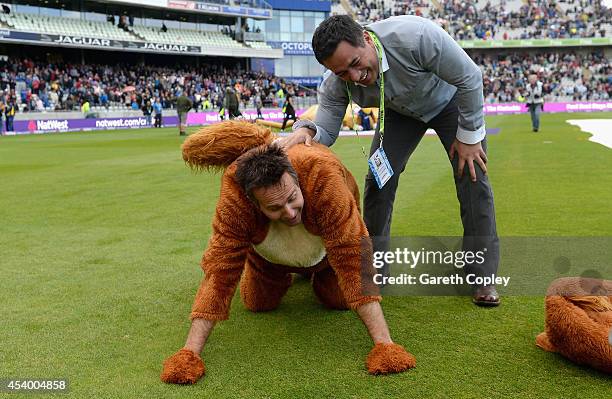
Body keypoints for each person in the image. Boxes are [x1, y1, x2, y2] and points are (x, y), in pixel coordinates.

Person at [160, 121, 416, 384]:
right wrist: (189, 352)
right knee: (258, 304)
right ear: (254, 202)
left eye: (292, 198)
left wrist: (384, 343)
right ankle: (266, 266)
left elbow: (352, 255)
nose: (290, 213)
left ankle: (317, 271)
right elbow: (220, 269)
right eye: (274, 207)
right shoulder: (235, 195)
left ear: (295, 179)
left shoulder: (322, 175)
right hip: (270, 256)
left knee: (338, 300)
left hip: (324, 256)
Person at [282, 15, 500, 306]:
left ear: (367, 39)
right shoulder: (337, 80)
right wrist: (306, 130)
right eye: (342, 72)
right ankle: (374, 268)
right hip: (399, 113)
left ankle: (481, 275)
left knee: (472, 176)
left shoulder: (415, 36)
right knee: (378, 179)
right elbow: (327, 126)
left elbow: (470, 77)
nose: (355, 76)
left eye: (356, 63)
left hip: (451, 103)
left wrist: (470, 136)